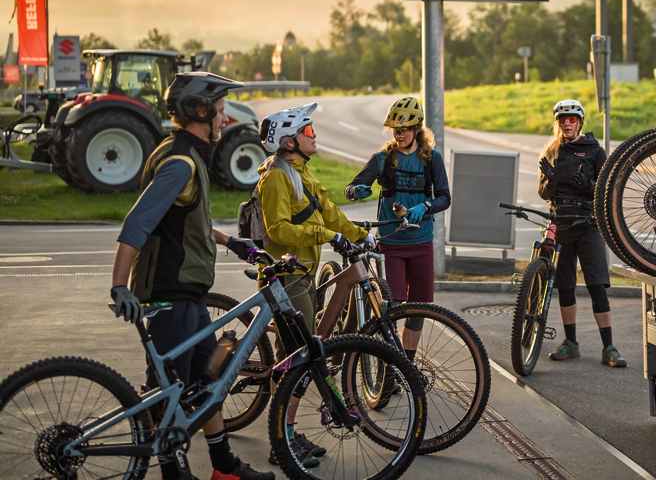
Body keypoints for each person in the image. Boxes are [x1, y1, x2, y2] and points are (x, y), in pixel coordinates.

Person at [109, 72, 273, 480]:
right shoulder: (180, 163)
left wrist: (229, 241)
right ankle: (171, 469)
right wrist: (118, 285)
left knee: (206, 380)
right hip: (170, 290)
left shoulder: (183, 153)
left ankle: (224, 467)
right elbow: (138, 224)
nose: (224, 119)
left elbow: (185, 221)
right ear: (199, 111)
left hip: (188, 290)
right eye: (219, 111)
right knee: (169, 392)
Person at [255, 102, 369, 468]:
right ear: (288, 142)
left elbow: (330, 211)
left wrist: (359, 236)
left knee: (300, 356)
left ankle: (286, 433)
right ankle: (282, 441)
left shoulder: (301, 172)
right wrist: (326, 236)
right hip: (287, 277)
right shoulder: (276, 177)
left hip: (302, 274)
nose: (314, 135)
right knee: (298, 361)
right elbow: (278, 229)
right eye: (307, 131)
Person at [345, 96, 450, 361]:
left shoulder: (431, 159)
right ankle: (390, 365)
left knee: (418, 308)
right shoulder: (382, 159)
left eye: (404, 129)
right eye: (395, 129)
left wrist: (425, 206)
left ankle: (407, 363)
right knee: (391, 307)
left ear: (417, 129)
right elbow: (351, 188)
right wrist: (359, 190)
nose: (399, 134)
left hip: (421, 241)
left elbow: (445, 198)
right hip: (392, 244)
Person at [537, 99, 626, 368]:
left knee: (597, 285)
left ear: (580, 122)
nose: (567, 123)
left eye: (572, 119)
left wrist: (586, 184)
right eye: (562, 119)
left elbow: (608, 191)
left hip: (588, 225)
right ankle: (571, 343)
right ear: (558, 123)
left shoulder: (595, 152)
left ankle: (609, 347)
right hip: (561, 224)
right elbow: (543, 193)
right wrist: (551, 181)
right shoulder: (552, 151)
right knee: (565, 286)